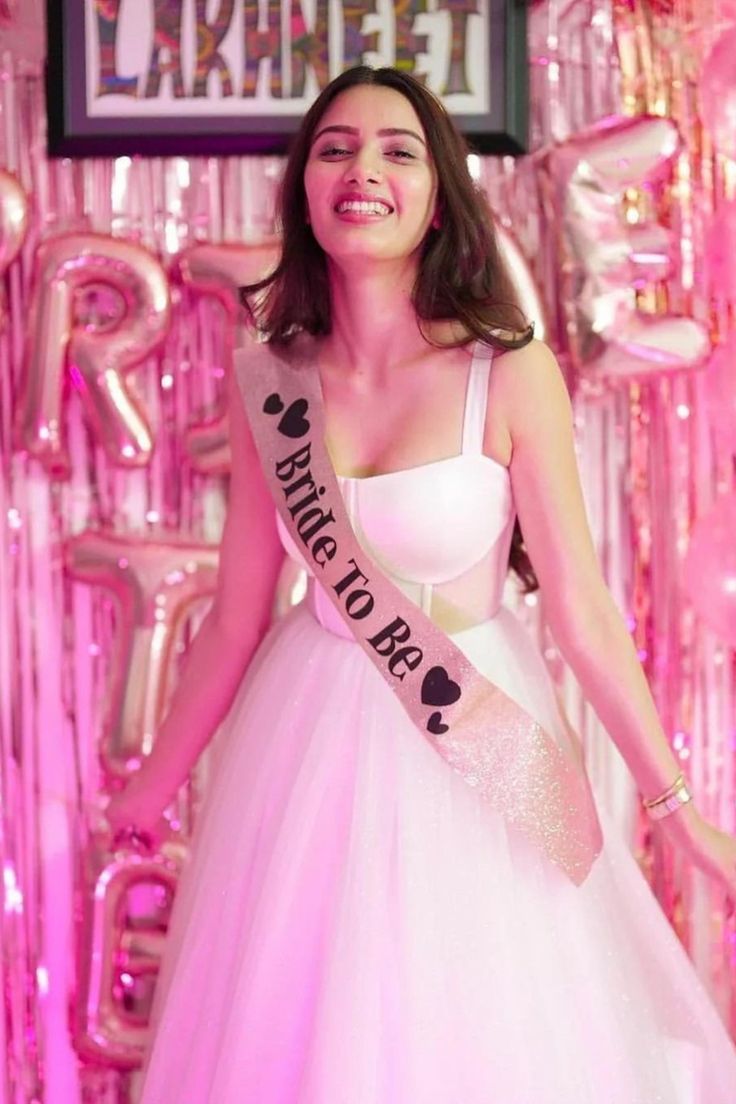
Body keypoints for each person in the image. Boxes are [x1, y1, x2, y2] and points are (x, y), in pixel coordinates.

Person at [105, 66, 736, 1102]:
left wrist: (675, 813)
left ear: (438, 195)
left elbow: (579, 610)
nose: (364, 171)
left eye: (399, 150)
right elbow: (232, 621)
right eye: (336, 148)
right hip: (308, 737)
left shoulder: (507, 371)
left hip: (479, 741)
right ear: (305, 188)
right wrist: (155, 782)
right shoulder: (269, 378)